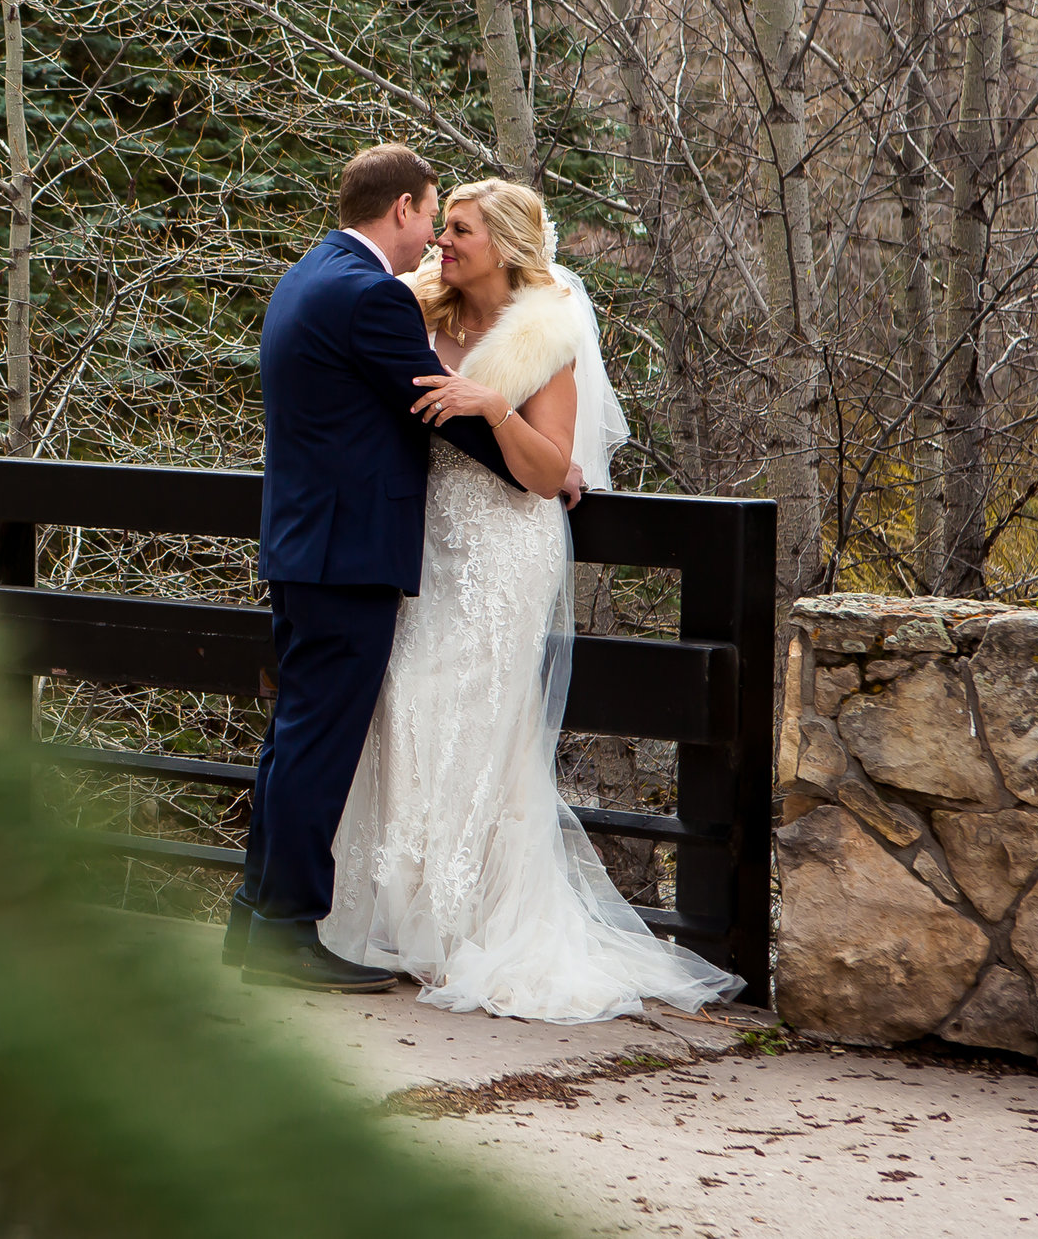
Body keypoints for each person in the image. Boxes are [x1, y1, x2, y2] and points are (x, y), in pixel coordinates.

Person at [317, 178, 744, 1022]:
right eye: (441, 227)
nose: (444, 241)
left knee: (479, 717)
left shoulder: (546, 329)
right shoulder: (415, 310)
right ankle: (403, 916)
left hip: (506, 548)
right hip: (428, 539)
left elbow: (551, 472)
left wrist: (492, 403)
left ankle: (468, 924)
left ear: (505, 246)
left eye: (461, 230)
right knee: (405, 704)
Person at [224, 144, 528, 992]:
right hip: (345, 553)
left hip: (306, 547)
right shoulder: (368, 297)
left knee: (293, 741)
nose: (433, 234)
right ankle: (286, 931)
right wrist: (540, 463)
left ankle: (256, 922)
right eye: (431, 213)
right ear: (399, 208)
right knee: (318, 745)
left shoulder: (307, 275)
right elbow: (440, 406)